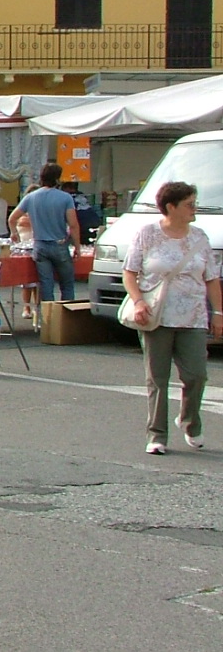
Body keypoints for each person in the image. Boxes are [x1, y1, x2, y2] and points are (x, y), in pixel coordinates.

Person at [121, 181, 223, 455]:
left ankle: (189, 421)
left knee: (197, 375)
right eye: (189, 204)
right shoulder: (147, 234)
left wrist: (218, 312)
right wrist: (139, 301)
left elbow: (212, 279)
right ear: (171, 207)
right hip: (156, 316)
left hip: (193, 316)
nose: (195, 209)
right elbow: (129, 273)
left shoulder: (199, 238)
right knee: (158, 378)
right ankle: (157, 435)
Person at [9, 164, 80, 303]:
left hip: (40, 245)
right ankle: (67, 317)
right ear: (57, 179)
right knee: (67, 285)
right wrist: (77, 246)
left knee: (46, 285)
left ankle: (48, 319)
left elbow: (12, 218)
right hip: (59, 244)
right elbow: (73, 225)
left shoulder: (31, 197)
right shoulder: (65, 198)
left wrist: (14, 233)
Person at [14, 185, 40, 320]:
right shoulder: (23, 213)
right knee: (27, 282)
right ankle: (27, 306)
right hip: (25, 249)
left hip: (38, 247)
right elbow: (20, 222)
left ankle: (37, 307)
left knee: (37, 282)